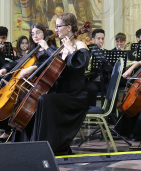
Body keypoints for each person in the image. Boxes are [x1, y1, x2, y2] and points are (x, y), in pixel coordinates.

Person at [15, 13, 89, 155]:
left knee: (44, 100)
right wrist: (34, 67)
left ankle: (46, 147)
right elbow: (54, 65)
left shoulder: (80, 44)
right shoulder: (62, 46)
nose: (56, 30)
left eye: (58, 26)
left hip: (75, 95)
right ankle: (28, 143)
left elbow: (81, 64)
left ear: (68, 27)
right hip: (62, 91)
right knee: (30, 97)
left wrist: (70, 49)